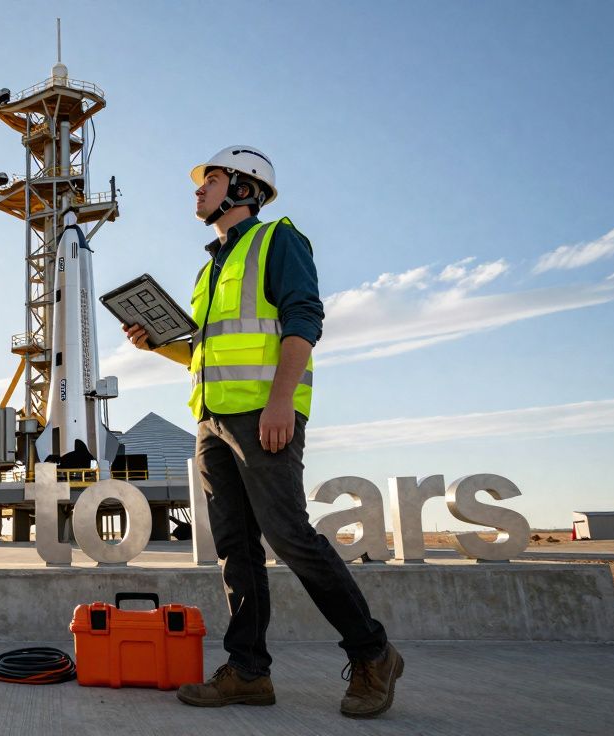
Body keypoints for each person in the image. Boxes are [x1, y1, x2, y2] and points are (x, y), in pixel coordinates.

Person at [123, 145, 404, 719]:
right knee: (235, 550)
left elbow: (304, 319)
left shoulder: (278, 240)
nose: (198, 190)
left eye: (212, 180)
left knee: (291, 537)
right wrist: (161, 345)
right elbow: (211, 353)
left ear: (244, 188)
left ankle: (373, 653)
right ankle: (248, 671)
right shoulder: (209, 269)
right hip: (211, 420)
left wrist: (281, 403)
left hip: (264, 416)